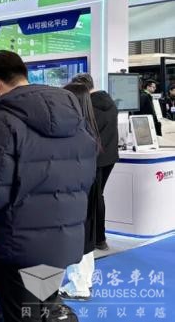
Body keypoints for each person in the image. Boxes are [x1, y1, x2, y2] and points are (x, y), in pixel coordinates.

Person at [0, 50, 96, 322]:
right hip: (59, 241)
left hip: (17, 244)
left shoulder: (1, 120)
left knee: (21, 312)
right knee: (37, 307)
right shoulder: (72, 114)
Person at [59, 83, 103, 301]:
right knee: (85, 235)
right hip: (89, 186)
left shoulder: (74, 130)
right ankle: (84, 281)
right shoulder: (90, 128)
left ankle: (78, 286)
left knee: (76, 237)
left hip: (76, 190)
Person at [70, 73, 119, 251]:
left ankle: (98, 239)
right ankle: (98, 238)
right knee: (98, 196)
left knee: (94, 199)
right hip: (109, 157)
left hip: (94, 159)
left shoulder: (89, 106)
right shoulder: (110, 103)